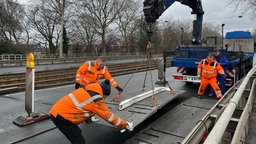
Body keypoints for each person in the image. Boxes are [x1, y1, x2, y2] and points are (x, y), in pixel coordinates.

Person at [50, 79, 133, 144]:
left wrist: (88, 119)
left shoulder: (87, 90)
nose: (104, 99)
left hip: (57, 111)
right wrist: (124, 124)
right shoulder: (96, 99)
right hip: (62, 117)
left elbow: (82, 107)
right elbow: (109, 116)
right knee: (79, 141)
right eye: (105, 97)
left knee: (76, 133)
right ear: (103, 94)